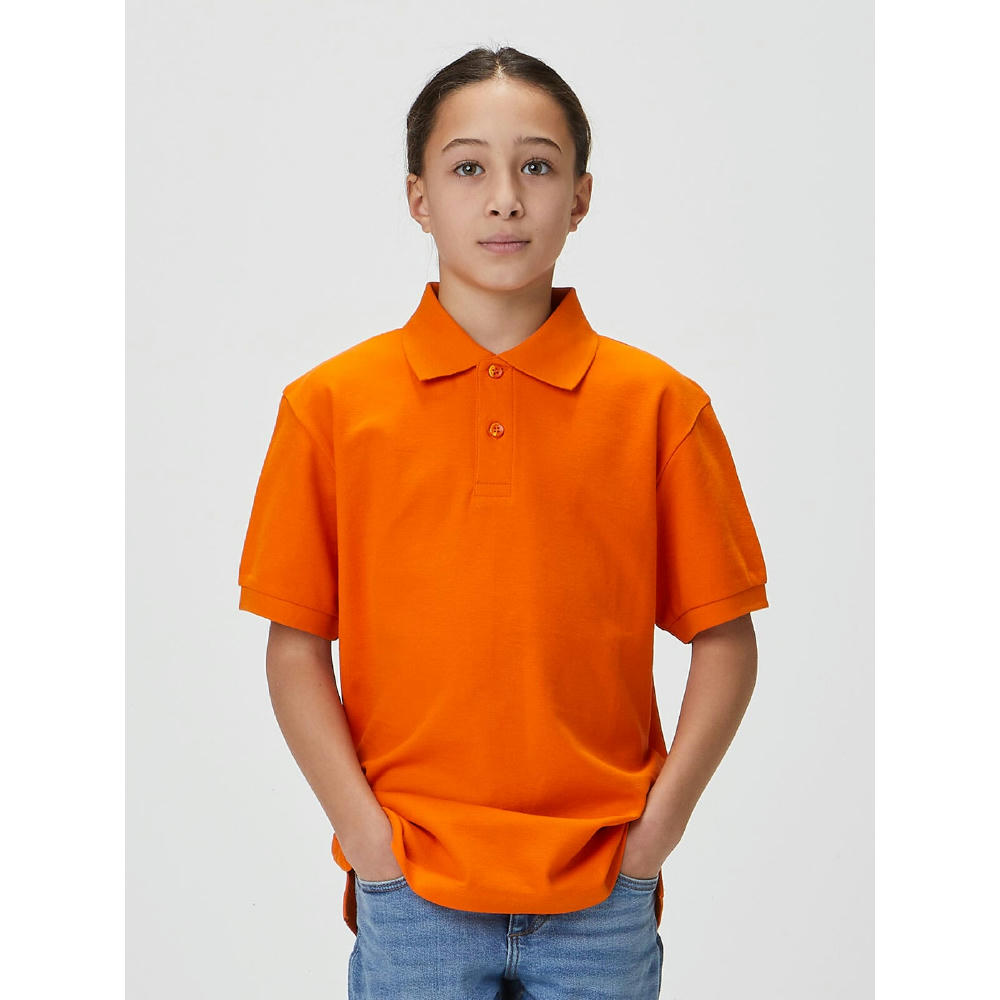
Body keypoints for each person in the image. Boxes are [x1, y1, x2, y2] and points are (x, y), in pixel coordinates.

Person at [237, 44, 768, 1000]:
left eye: (537, 165)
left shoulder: (660, 408)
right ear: (417, 196)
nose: (505, 199)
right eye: (468, 168)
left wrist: (655, 835)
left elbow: (725, 639)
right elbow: (294, 647)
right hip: (414, 891)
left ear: (582, 196)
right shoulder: (329, 408)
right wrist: (369, 842)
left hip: (602, 891)